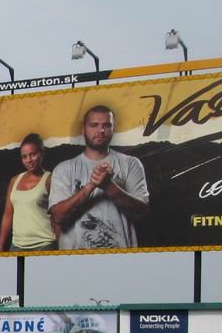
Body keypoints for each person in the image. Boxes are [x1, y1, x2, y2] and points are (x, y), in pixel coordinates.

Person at [49, 105, 149, 250]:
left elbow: (141, 212)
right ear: (84, 129)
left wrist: (108, 186)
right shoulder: (64, 168)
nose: (101, 130)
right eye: (94, 125)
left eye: (106, 125)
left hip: (121, 257)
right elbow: (58, 216)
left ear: (113, 129)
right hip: (75, 260)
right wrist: (91, 185)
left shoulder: (131, 164)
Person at [0, 133, 55, 251]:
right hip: (17, 245)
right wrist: (0, 247)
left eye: (32, 154)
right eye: (24, 156)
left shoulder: (50, 179)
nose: (28, 160)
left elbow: (58, 215)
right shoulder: (14, 180)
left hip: (44, 244)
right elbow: (8, 214)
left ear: (41, 153)